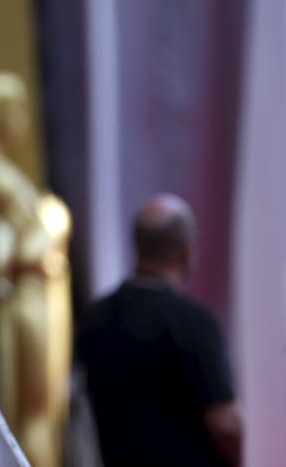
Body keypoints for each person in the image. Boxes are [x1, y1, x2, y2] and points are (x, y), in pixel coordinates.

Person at [78, 194, 242, 466]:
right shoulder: (194, 322)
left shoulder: (94, 318)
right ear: (186, 250)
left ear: (138, 246)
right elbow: (225, 423)